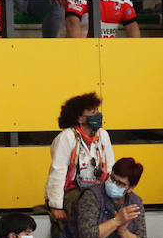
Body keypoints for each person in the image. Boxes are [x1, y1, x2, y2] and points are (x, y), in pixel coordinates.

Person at [49, 155, 146, 238]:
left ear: (131, 188)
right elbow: (87, 236)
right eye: (112, 178)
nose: (113, 184)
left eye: (120, 183)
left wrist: (123, 232)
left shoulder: (135, 203)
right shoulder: (92, 195)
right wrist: (116, 221)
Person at [46, 92, 117, 227]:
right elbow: (58, 172)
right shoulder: (66, 137)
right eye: (92, 111)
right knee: (87, 205)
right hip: (72, 191)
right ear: (80, 118)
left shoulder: (103, 135)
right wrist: (56, 205)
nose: (97, 114)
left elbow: (110, 168)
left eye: (97, 110)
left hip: (98, 189)